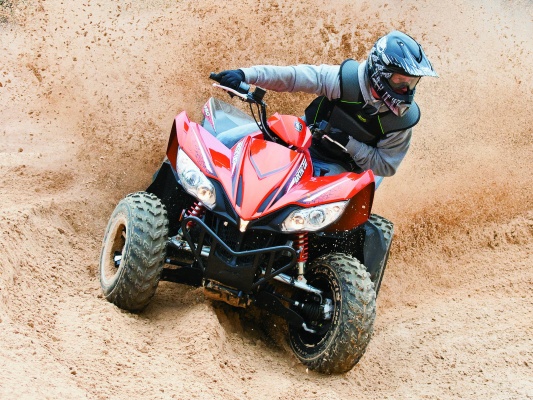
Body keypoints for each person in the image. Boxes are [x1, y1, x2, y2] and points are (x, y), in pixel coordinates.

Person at [212, 30, 438, 188]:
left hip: (340, 167)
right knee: (223, 142)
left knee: (301, 201)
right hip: (298, 139)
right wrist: (245, 74)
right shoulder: (344, 81)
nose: (407, 90)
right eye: (400, 81)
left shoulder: (401, 122)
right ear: (380, 72)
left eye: (412, 83)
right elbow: (292, 77)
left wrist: (350, 144)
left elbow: (386, 166)